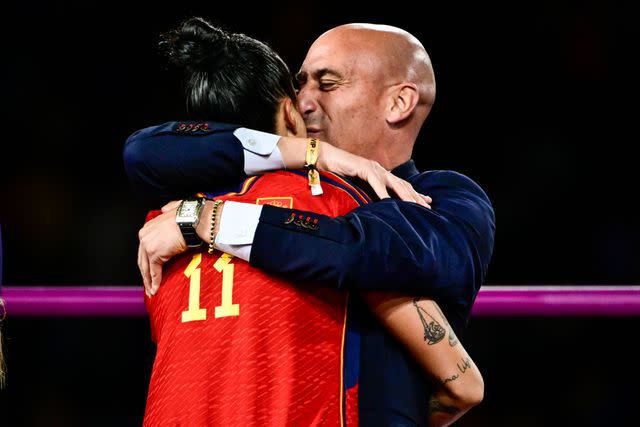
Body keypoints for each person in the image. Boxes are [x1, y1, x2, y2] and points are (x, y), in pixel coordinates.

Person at [126, 18, 494, 426]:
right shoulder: (253, 186)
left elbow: (358, 249)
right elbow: (143, 151)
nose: (303, 101)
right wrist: (309, 153)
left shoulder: (442, 197)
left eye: (328, 83)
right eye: (300, 85)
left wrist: (207, 219)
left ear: (398, 103)